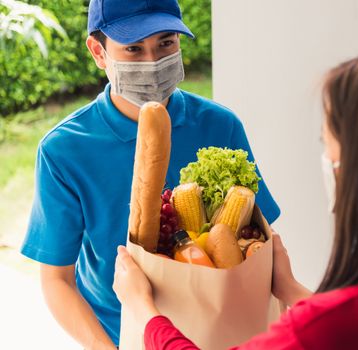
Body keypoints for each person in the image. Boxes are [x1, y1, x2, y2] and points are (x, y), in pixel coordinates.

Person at [113, 48, 358, 349]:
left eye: (330, 147)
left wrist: (145, 311)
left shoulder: (318, 330)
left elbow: (341, 329)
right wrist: (291, 290)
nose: (328, 162)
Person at [20, 0, 280, 348]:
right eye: (133, 48)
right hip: (124, 335)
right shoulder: (64, 150)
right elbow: (57, 280)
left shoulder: (220, 126)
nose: (153, 61)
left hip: (224, 334)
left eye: (165, 43)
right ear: (99, 52)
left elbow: (262, 241)